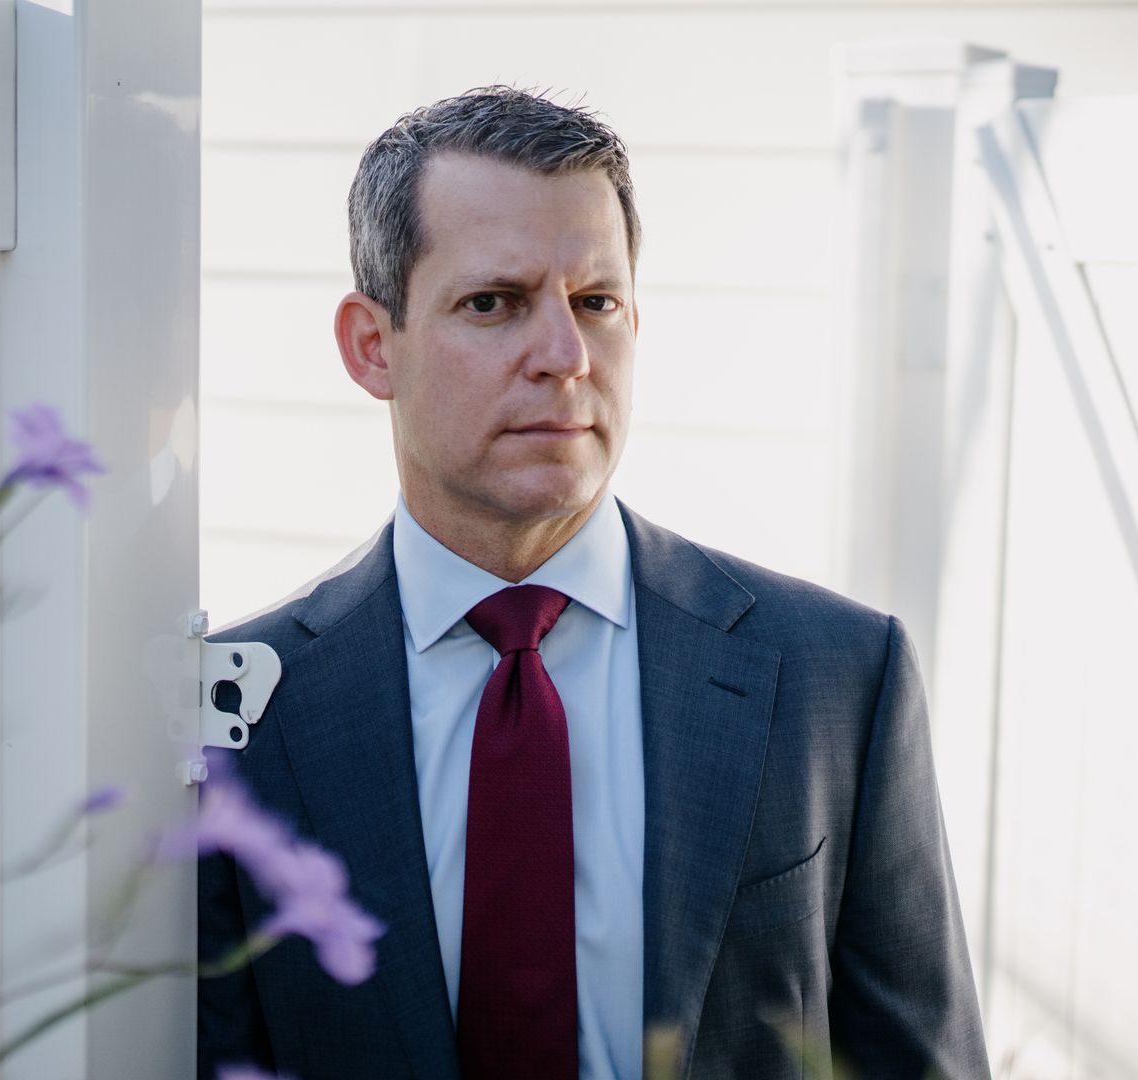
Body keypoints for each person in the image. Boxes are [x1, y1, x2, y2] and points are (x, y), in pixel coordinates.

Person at [198, 86, 988, 1080]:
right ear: (371, 346)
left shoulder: (836, 675)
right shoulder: (245, 711)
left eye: (596, 304)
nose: (565, 358)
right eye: (494, 304)